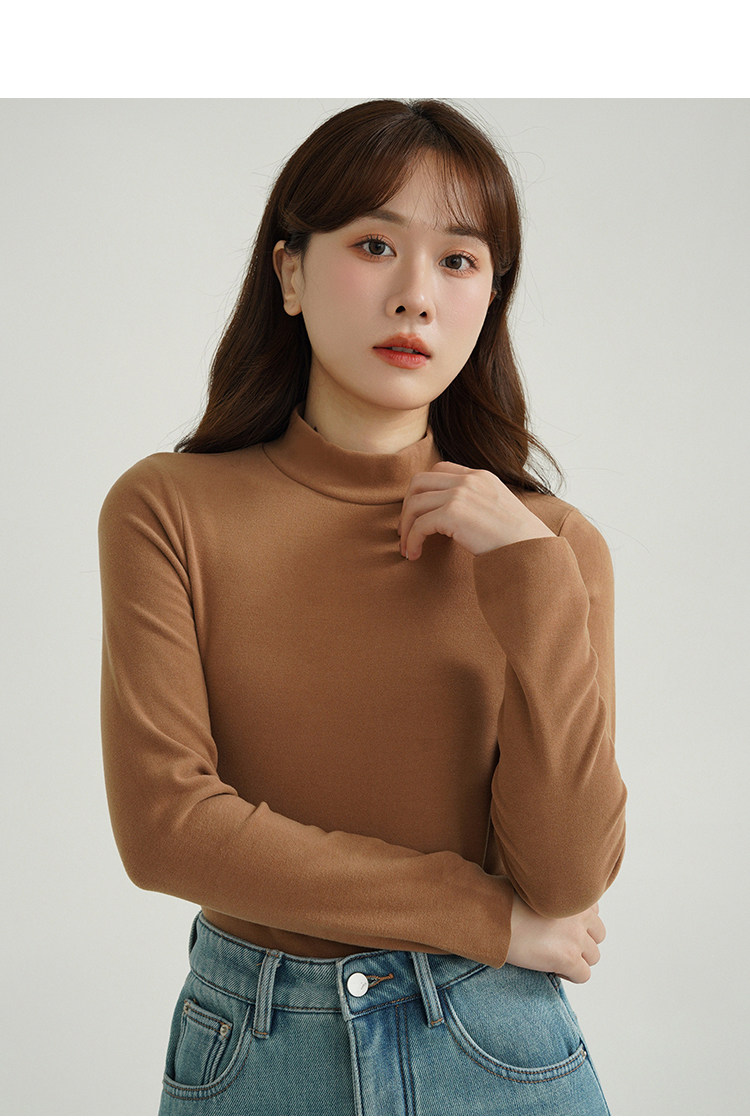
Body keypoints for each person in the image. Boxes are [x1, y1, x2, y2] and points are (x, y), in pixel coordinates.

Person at [98, 98, 627, 1116]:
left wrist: (532, 573)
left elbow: (565, 880)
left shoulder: (549, 546)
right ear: (290, 273)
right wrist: (484, 918)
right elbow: (167, 829)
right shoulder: (168, 508)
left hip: (495, 1045)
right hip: (257, 1048)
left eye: (458, 260)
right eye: (375, 245)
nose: (415, 296)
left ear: (491, 300)